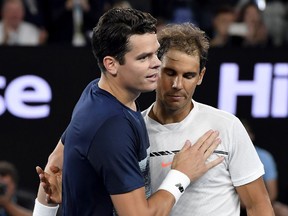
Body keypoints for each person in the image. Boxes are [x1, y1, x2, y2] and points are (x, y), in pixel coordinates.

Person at [35, 21, 274, 216]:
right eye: (169, 72)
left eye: (189, 75)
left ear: (201, 76)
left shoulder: (227, 127)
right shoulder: (127, 129)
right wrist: (182, 174)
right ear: (157, 67)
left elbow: (258, 206)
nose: (177, 84)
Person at [241, 119, 288, 216]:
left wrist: (257, 208)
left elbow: (273, 193)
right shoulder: (223, 157)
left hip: (260, 204)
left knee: (283, 211)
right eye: (239, 135)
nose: (243, 138)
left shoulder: (264, 157)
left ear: (251, 135)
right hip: (231, 204)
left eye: (246, 133)